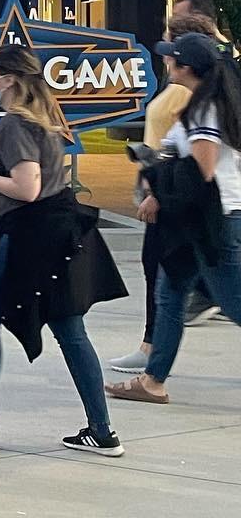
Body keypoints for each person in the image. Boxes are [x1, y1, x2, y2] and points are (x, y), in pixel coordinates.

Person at [0, 46, 127, 456]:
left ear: (9, 80)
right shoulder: (44, 119)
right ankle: (100, 427)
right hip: (57, 235)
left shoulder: (15, 125)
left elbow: (27, 188)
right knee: (64, 330)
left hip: (28, 239)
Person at [106, 29, 241, 405]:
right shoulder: (211, 101)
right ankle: (153, 380)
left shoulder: (204, 109)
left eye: (171, 58)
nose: (165, 62)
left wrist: (159, 190)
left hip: (212, 219)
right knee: (171, 292)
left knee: (233, 300)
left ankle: (153, 378)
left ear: (186, 67)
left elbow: (203, 170)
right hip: (204, 217)